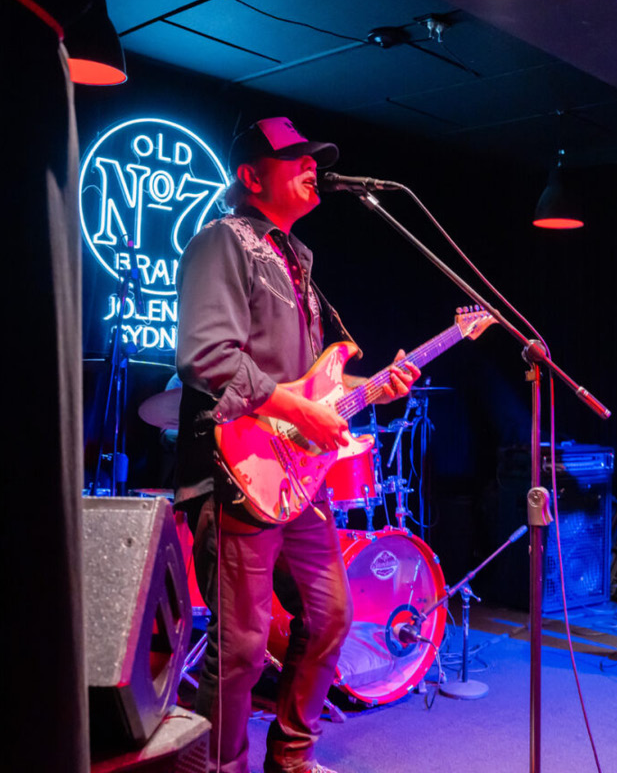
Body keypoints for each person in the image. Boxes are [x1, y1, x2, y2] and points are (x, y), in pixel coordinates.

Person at [175, 116, 419, 773]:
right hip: (237, 471)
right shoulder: (221, 242)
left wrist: (373, 387)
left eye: (315, 158)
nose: (314, 166)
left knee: (331, 614)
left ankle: (291, 755)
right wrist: (300, 415)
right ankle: (216, 765)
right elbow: (207, 355)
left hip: (295, 481)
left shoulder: (298, 261)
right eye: (295, 158)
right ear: (252, 176)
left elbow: (311, 385)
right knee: (243, 646)